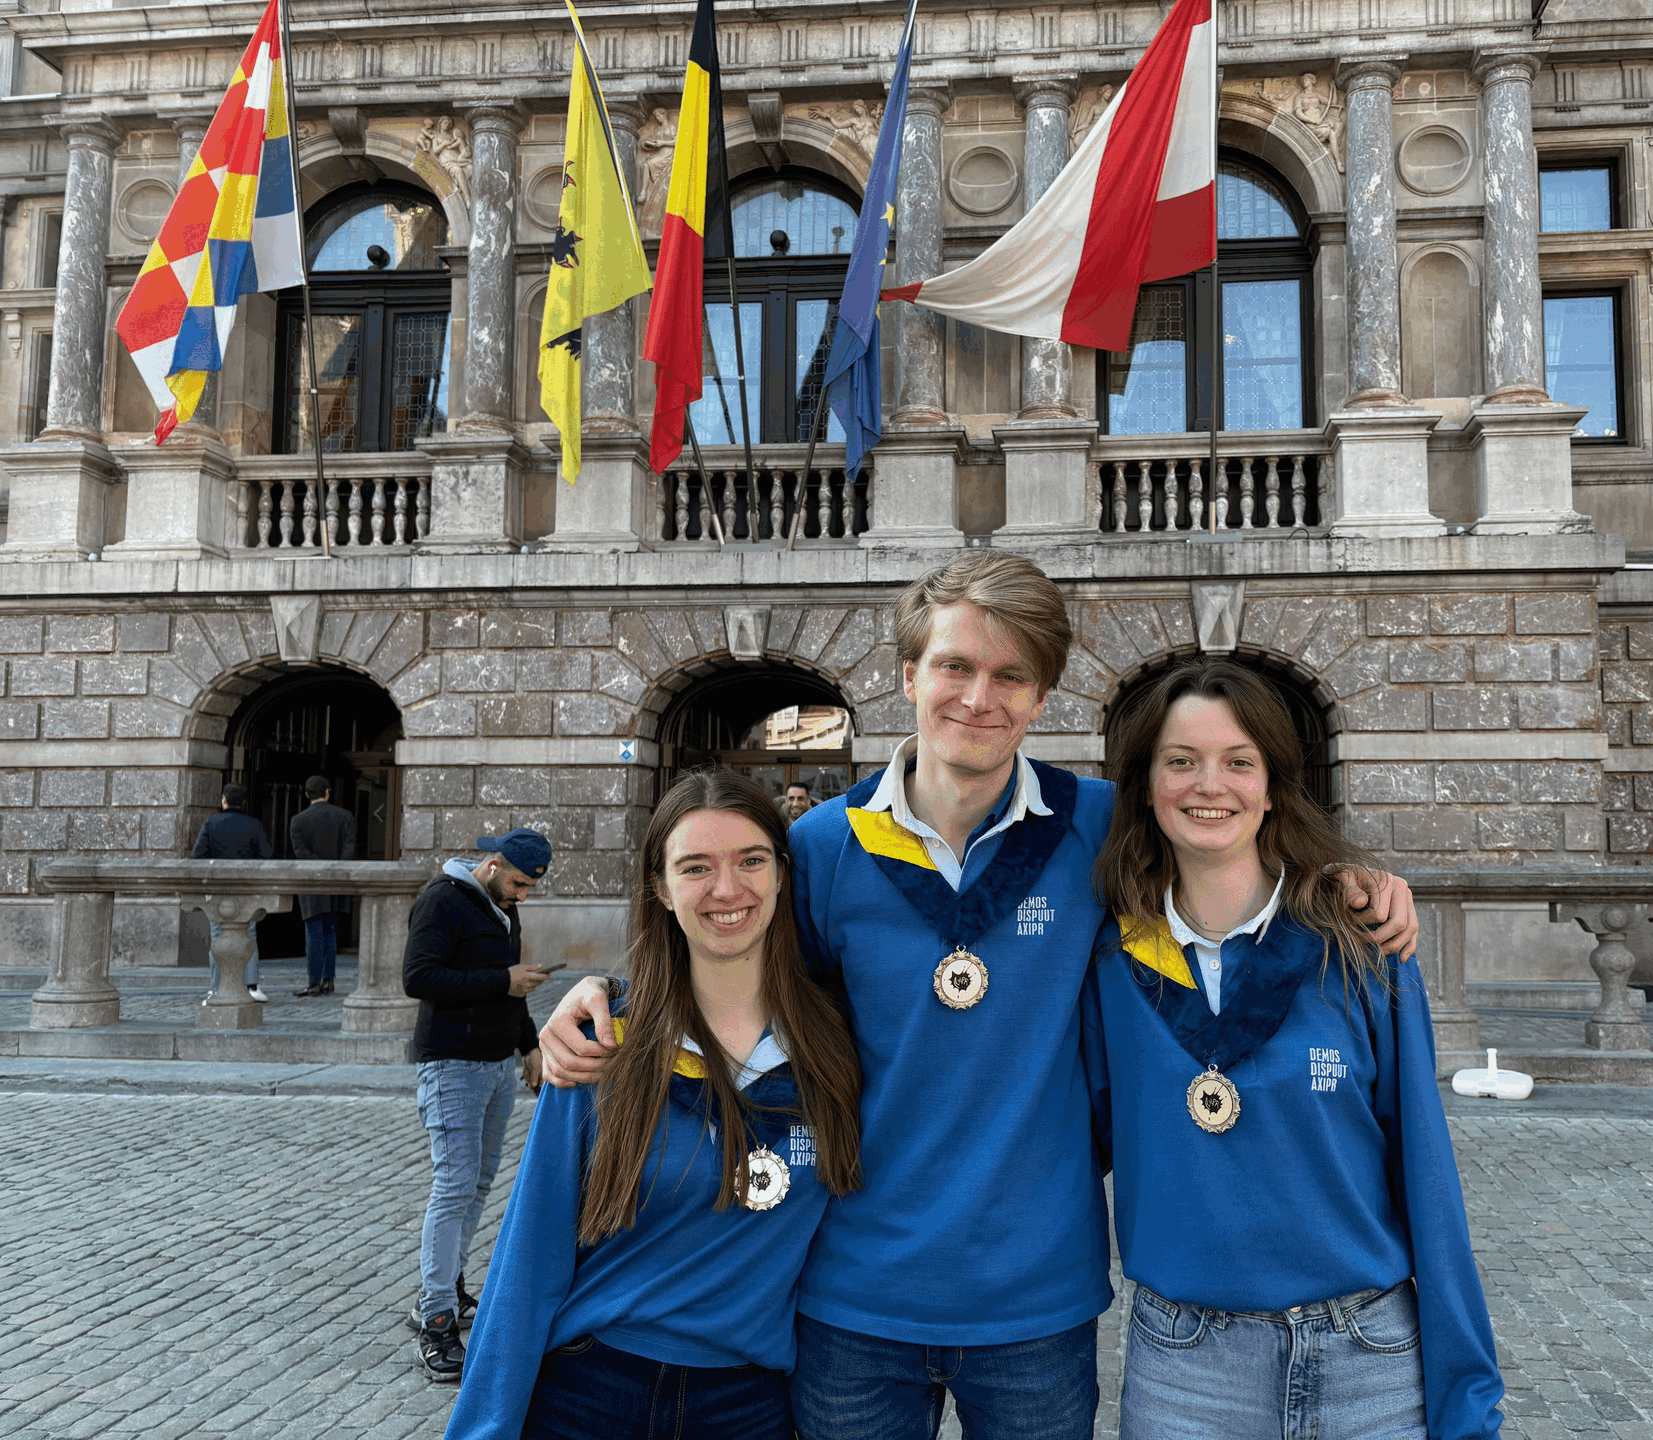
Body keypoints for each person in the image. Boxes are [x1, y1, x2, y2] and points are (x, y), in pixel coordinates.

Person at [540, 552, 1419, 1439]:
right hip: (853, 1296)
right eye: (955, 666)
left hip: (1037, 1301)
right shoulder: (824, 847)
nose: (977, 697)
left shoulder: (1099, 826)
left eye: (1011, 676)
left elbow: (1226, 843)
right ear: (909, 675)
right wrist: (606, 995)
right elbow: (730, 962)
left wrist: (1345, 882)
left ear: (1042, 697)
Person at [1085, 659, 1503, 1440]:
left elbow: (1426, 1173)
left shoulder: (1361, 945)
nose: (1210, 785)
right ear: (1144, 786)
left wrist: (1467, 1394)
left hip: (1368, 1363)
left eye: (1239, 762)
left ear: (1274, 786)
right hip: (1185, 1376)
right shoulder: (1108, 960)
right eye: (1181, 761)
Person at [443, 771, 863, 1439]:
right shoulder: (602, 1042)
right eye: (695, 867)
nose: (727, 889)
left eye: (751, 860)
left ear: (783, 874)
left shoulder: (839, 1044)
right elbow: (530, 1256)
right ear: (662, 889)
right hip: (589, 1395)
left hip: (749, 1407)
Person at [403, 827, 555, 1383]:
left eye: (530, 887)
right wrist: (501, 979)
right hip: (451, 1065)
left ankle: (446, 1286)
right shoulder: (441, 900)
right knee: (454, 1186)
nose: (523, 895)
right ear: (493, 866)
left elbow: (512, 992)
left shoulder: (504, 910)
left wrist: (530, 1045)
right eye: (518, 883)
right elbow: (418, 977)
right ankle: (436, 1321)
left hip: (496, 1066)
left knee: (479, 1184)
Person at [189, 783, 272, 1004]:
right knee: (249, 934)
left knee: (218, 935)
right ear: (243, 802)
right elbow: (266, 857)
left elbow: (197, 857)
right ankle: (252, 986)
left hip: (218, 890)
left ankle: (216, 987)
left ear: (223, 799)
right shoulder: (254, 825)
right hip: (247, 890)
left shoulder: (211, 823)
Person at [289, 774, 355, 997]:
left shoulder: (297, 820)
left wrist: (322, 869)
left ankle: (314, 981)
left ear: (307, 794)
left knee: (314, 932)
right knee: (330, 931)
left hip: (312, 882)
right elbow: (348, 850)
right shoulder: (344, 816)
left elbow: (301, 853)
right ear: (327, 792)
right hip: (336, 881)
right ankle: (328, 979)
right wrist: (335, 870)